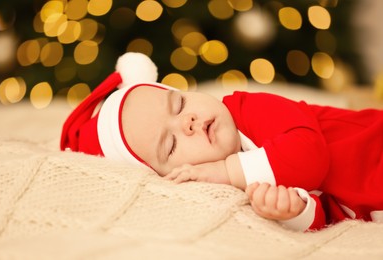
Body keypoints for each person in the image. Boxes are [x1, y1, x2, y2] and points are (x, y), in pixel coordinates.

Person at [61, 52, 383, 231]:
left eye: (180, 104)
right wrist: (295, 210)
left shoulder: (246, 109)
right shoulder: (234, 183)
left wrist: (227, 170)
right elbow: (328, 210)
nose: (186, 122)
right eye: (170, 145)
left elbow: (310, 158)